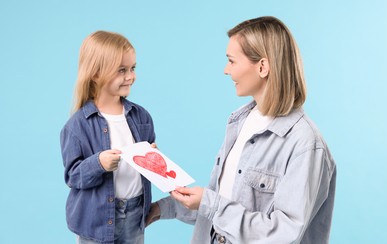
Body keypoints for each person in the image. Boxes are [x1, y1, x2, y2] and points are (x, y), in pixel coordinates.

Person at [147, 16, 336, 243]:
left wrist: (211, 203)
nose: (226, 70)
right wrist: (160, 209)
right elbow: (219, 206)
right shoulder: (240, 122)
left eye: (232, 61)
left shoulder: (305, 144)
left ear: (262, 67)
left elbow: (284, 234)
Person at [60, 31, 156, 244]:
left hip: (135, 214)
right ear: (95, 74)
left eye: (133, 68)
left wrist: (153, 158)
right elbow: (73, 177)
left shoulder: (141, 116)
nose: (131, 76)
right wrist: (99, 163)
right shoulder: (77, 126)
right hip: (95, 220)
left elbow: (146, 166)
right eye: (122, 70)